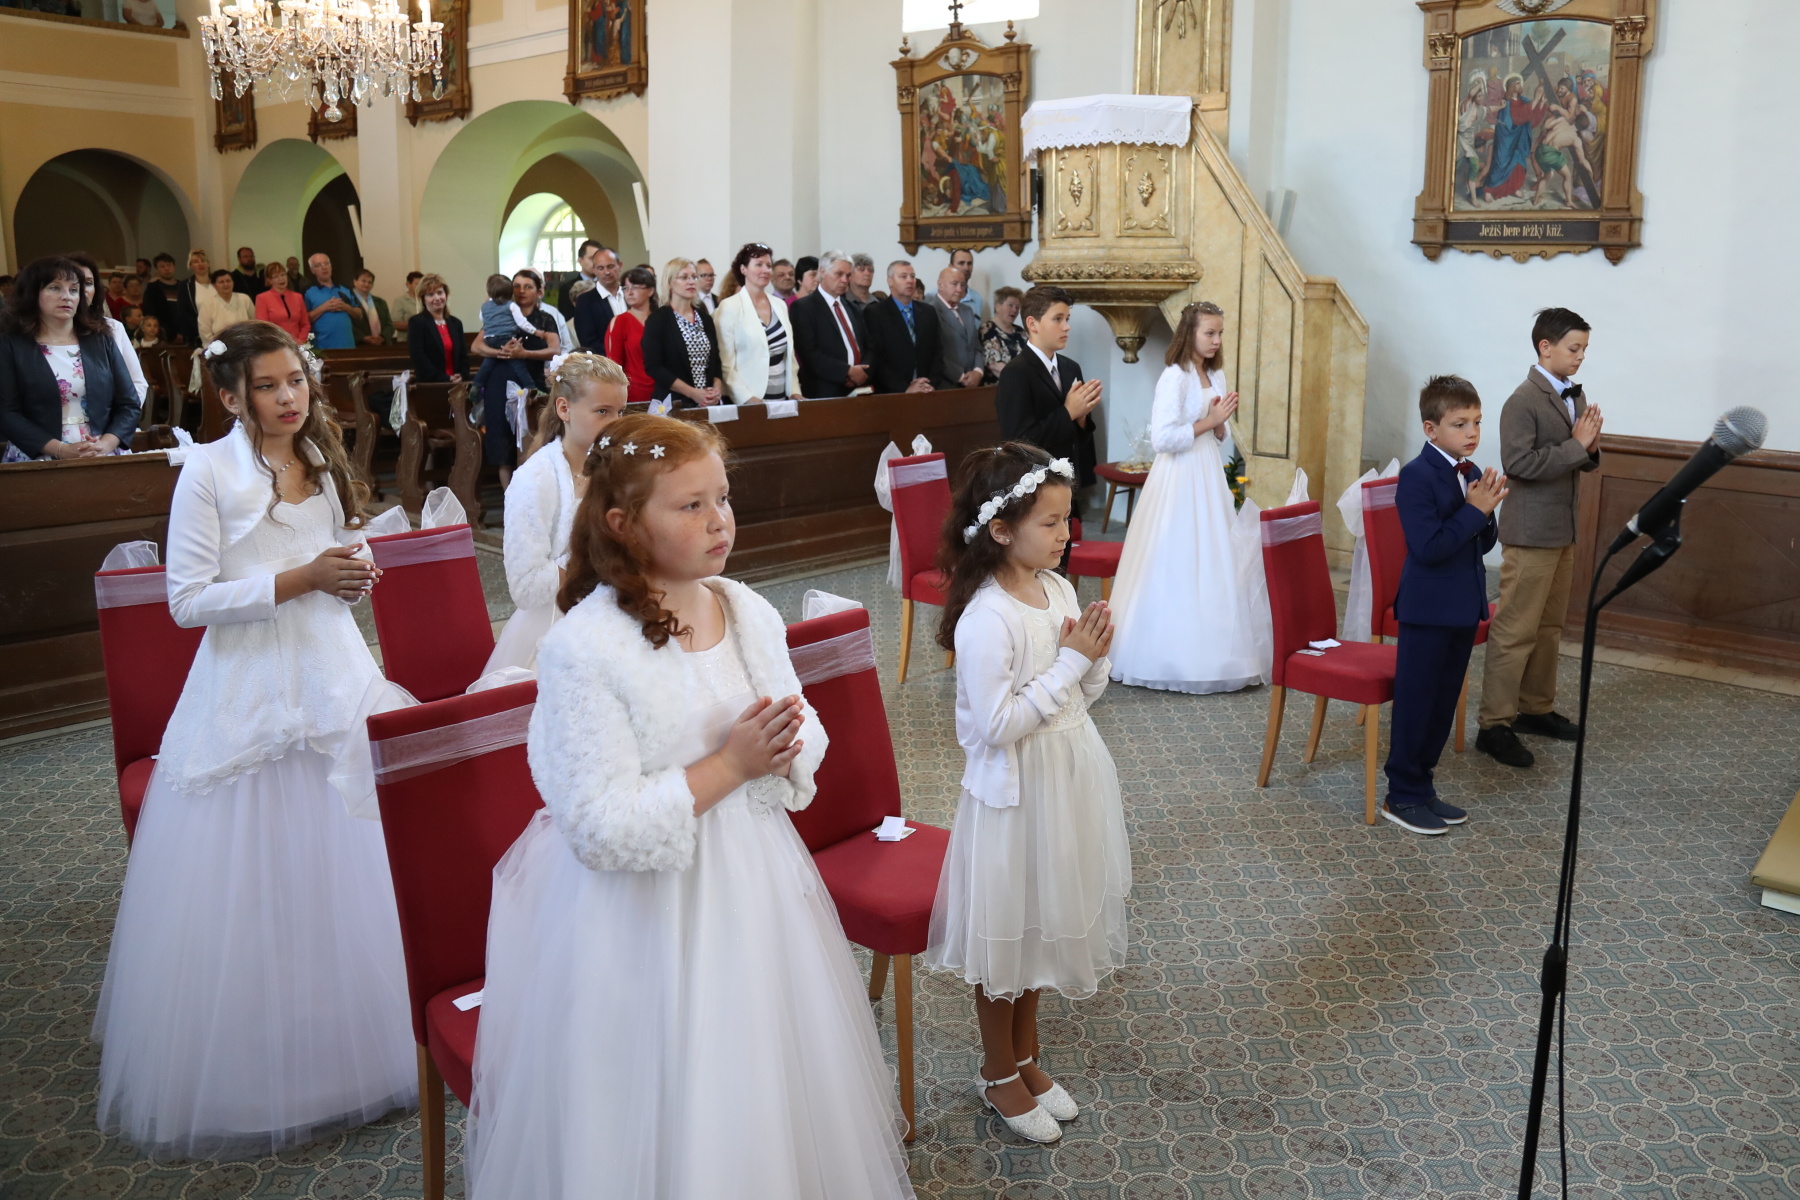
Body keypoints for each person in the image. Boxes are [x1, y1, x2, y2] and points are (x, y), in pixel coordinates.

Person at [465, 413, 914, 1200]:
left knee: (760, 1081)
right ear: (622, 522)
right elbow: (598, 825)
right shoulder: (585, 648)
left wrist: (785, 747)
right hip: (644, 920)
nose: (719, 521)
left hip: (754, 883)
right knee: (664, 1103)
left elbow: (802, 726)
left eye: (723, 499)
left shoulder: (747, 611)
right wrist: (730, 764)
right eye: (691, 505)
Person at [92, 321, 416, 1161]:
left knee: (346, 868)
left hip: (332, 673)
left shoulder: (322, 456)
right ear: (232, 396)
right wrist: (302, 577)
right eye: (267, 386)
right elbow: (186, 600)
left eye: (295, 381)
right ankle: (261, 1068)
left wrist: (349, 571)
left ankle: (357, 1043)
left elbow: (333, 550)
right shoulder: (207, 471)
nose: (288, 397)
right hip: (248, 693)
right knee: (262, 877)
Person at [924, 442, 1128, 1146]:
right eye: (1050, 522)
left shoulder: (1058, 590)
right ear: (1001, 529)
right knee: (1005, 939)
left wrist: (1094, 657)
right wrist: (1070, 662)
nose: (1066, 533)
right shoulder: (988, 618)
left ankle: (1026, 1058)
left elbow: (1082, 694)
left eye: (1067, 518)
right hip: (1013, 795)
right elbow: (995, 726)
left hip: (1066, 778)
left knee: (1041, 926)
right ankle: (997, 1069)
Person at [1104, 301, 1269, 694]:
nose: (1216, 340)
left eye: (1220, 333)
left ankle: (1218, 650)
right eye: (1209, 333)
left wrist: (1219, 425)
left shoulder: (1216, 373)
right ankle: (1166, 652)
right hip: (1178, 475)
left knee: (1214, 554)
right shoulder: (1174, 376)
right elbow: (1163, 438)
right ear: (1189, 334)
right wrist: (1209, 420)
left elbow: (1217, 435)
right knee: (1176, 554)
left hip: (1207, 471)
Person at [1476, 307, 1602, 768]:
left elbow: (1578, 455)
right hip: (1530, 533)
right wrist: (1577, 445)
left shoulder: (1574, 393)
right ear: (1545, 347)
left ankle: (1535, 708)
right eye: (1574, 348)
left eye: (1584, 349)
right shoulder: (1522, 400)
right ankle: (1493, 725)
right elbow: (1519, 465)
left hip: (1562, 529)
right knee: (1515, 630)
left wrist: (1589, 446)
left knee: (1549, 628)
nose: (1581, 356)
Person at [1384, 375, 1507, 835]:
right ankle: (1400, 795)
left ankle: (1423, 788)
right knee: (1417, 703)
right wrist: (1474, 511)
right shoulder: (1417, 476)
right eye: (1460, 424)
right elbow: (1429, 547)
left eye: (1476, 422)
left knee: (1441, 705)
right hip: (1428, 609)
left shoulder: (1470, 473)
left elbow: (1481, 543)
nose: (1472, 432)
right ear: (1431, 429)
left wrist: (1487, 511)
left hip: (1462, 607)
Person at [480, 352, 629, 678]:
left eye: (621, 411)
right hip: (558, 622)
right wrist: (596, 557)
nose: (616, 424)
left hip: (619, 608)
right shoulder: (536, 479)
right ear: (564, 409)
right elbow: (525, 586)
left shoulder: (617, 468)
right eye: (602, 412)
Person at [0, 256, 142, 462]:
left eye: (74, 290)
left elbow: (129, 404)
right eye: (54, 288)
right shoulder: (11, 345)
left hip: (101, 452)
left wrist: (106, 444)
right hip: (39, 456)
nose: (66, 296)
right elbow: (6, 412)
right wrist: (60, 450)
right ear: (32, 293)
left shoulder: (102, 340)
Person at [995, 285, 1100, 492]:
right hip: (1034, 483)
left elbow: (1079, 437)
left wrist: (1082, 419)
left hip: (1068, 478)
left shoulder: (1071, 368)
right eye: (1057, 319)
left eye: (1067, 319)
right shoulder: (1016, 372)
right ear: (1032, 323)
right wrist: (1068, 412)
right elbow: (1017, 442)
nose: (1066, 327)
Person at [473, 271, 560, 485]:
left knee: (533, 438)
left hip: (530, 381)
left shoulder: (544, 318)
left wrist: (524, 354)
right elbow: (476, 346)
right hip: (499, 383)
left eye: (528, 286)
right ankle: (507, 495)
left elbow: (554, 350)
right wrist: (500, 352)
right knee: (502, 438)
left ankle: (533, 492)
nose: (521, 291)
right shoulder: (501, 311)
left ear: (539, 291)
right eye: (517, 286)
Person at [713, 242, 801, 403]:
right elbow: (726, 364)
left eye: (769, 265)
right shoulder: (730, 307)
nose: (765, 270)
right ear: (743, 269)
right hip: (750, 398)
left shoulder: (780, 305)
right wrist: (747, 398)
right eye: (759, 264)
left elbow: (789, 357)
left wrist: (794, 391)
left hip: (782, 397)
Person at [66, 251, 151, 408]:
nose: (83, 289)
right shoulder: (42, 331)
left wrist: (120, 419)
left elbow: (137, 382)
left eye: (89, 283)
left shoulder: (113, 328)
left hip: (110, 418)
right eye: (75, 282)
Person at [640, 258, 723, 409]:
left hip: (707, 402)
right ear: (670, 283)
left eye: (694, 277)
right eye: (684, 277)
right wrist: (692, 393)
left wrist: (716, 390)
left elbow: (716, 361)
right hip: (673, 402)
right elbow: (654, 367)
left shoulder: (705, 318)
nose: (691, 282)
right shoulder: (658, 319)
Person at [789, 250, 869, 399]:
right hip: (824, 392)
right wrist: (847, 372)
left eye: (848, 275)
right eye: (839, 274)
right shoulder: (803, 308)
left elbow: (867, 345)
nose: (844, 280)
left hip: (859, 389)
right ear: (823, 272)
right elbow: (810, 354)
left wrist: (862, 371)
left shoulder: (853, 308)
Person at [863, 260, 946, 395]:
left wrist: (930, 384)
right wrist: (905, 388)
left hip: (927, 391)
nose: (910, 281)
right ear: (890, 281)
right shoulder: (875, 313)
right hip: (892, 394)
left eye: (912, 276)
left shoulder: (928, 311)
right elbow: (877, 358)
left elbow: (937, 352)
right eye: (903, 276)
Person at [474, 273, 549, 396]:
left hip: (490, 338)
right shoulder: (511, 306)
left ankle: (476, 385)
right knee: (518, 364)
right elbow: (522, 323)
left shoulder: (485, 306)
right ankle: (531, 387)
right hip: (506, 338)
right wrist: (536, 331)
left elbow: (482, 319)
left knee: (487, 363)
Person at [603, 265, 659, 405]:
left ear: (650, 291)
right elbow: (614, 364)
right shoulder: (620, 321)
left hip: (663, 390)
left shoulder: (661, 319)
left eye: (635, 287)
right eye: (625, 288)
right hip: (633, 394)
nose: (629, 292)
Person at [405, 274, 468, 383]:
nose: (437, 298)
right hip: (431, 384)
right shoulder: (417, 322)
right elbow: (418, 357)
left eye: (440, 292)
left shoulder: (456, 323)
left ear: (446, 295)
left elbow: (463, 356)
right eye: (430, 294)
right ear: (423, 299)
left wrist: (462, 374)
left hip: (456, 383)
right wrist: (445, 378)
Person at [932, 267, 983, 389]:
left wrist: (978, 371)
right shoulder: (930, 310)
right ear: (940, 284)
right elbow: (934, 352)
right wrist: (961, 377)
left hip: (973, 385)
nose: (959, 289)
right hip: (946, 386)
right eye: (954, 284)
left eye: (962, 285)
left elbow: (976, 345)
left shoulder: (967, 310)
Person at [572, 244, 624, 351]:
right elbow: (588, 342)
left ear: (620, 266)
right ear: (594, 270)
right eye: (601, 268)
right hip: (605, 359)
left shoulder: (631, 295)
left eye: (610, 266)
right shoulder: (585, 301)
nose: (606, 272)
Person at [303, 254, 358, 350]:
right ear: (312, 270)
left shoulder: (345, 288)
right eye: (318, 265)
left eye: (326, 263)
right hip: (322, 348)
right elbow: (303, 320)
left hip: (348, 346)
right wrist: (324, 308)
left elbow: (359, 314)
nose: (324, 267)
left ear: (331, 266)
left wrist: (346, 307)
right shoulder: (307, 291)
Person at [980, 286, 1027, 384]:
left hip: (1023, 384)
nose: (1014, 310)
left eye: (1017, 307)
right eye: (1010, 305)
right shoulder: (987, 330)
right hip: (999, 387)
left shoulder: (1020, 332)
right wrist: (1023, 379)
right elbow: (995, 366)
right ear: (997, 306)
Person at [254, 261, 310, 343]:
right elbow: (263, 327)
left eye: (283, 275)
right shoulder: (262, 298)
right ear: (269, 280)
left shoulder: (298, 297)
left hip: (298, 344)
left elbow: (305, 324)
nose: (281, 279)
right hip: (275, 344)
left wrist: (300, 341)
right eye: (276, 276)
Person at [141, 253, 191, 346]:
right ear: (157, 269)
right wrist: (171, 334)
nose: (167, 269)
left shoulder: (184, 286)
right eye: (162, 266)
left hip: (187, 334)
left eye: (169, 265)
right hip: (164, 336)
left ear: (174, 267)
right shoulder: (153, 289)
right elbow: (150, 313)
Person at [198, 269, 255, 344]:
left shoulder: (244, 299)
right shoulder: (208, 304)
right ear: (214, 285)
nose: (226, 284)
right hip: (219, 346)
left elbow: (254, 321)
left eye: (228, 281)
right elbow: (205, 332)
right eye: (221, 282)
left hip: (245, 343)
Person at [346, 269, 395, 346]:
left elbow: (389, 325)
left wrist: (382, 338)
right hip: (359, 345)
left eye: (370, 282)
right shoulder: (347, 301)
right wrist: (363, 338)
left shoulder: (381, 302)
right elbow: (346, 324)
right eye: (363, 281)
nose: (366, 284)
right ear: (355, 282)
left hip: (382, 345)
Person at [949, 248, 983, 319]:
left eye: (969, 264)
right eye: (961, 263)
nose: (966, 268)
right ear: (951, 267)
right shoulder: (934, 296)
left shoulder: (976, 298)